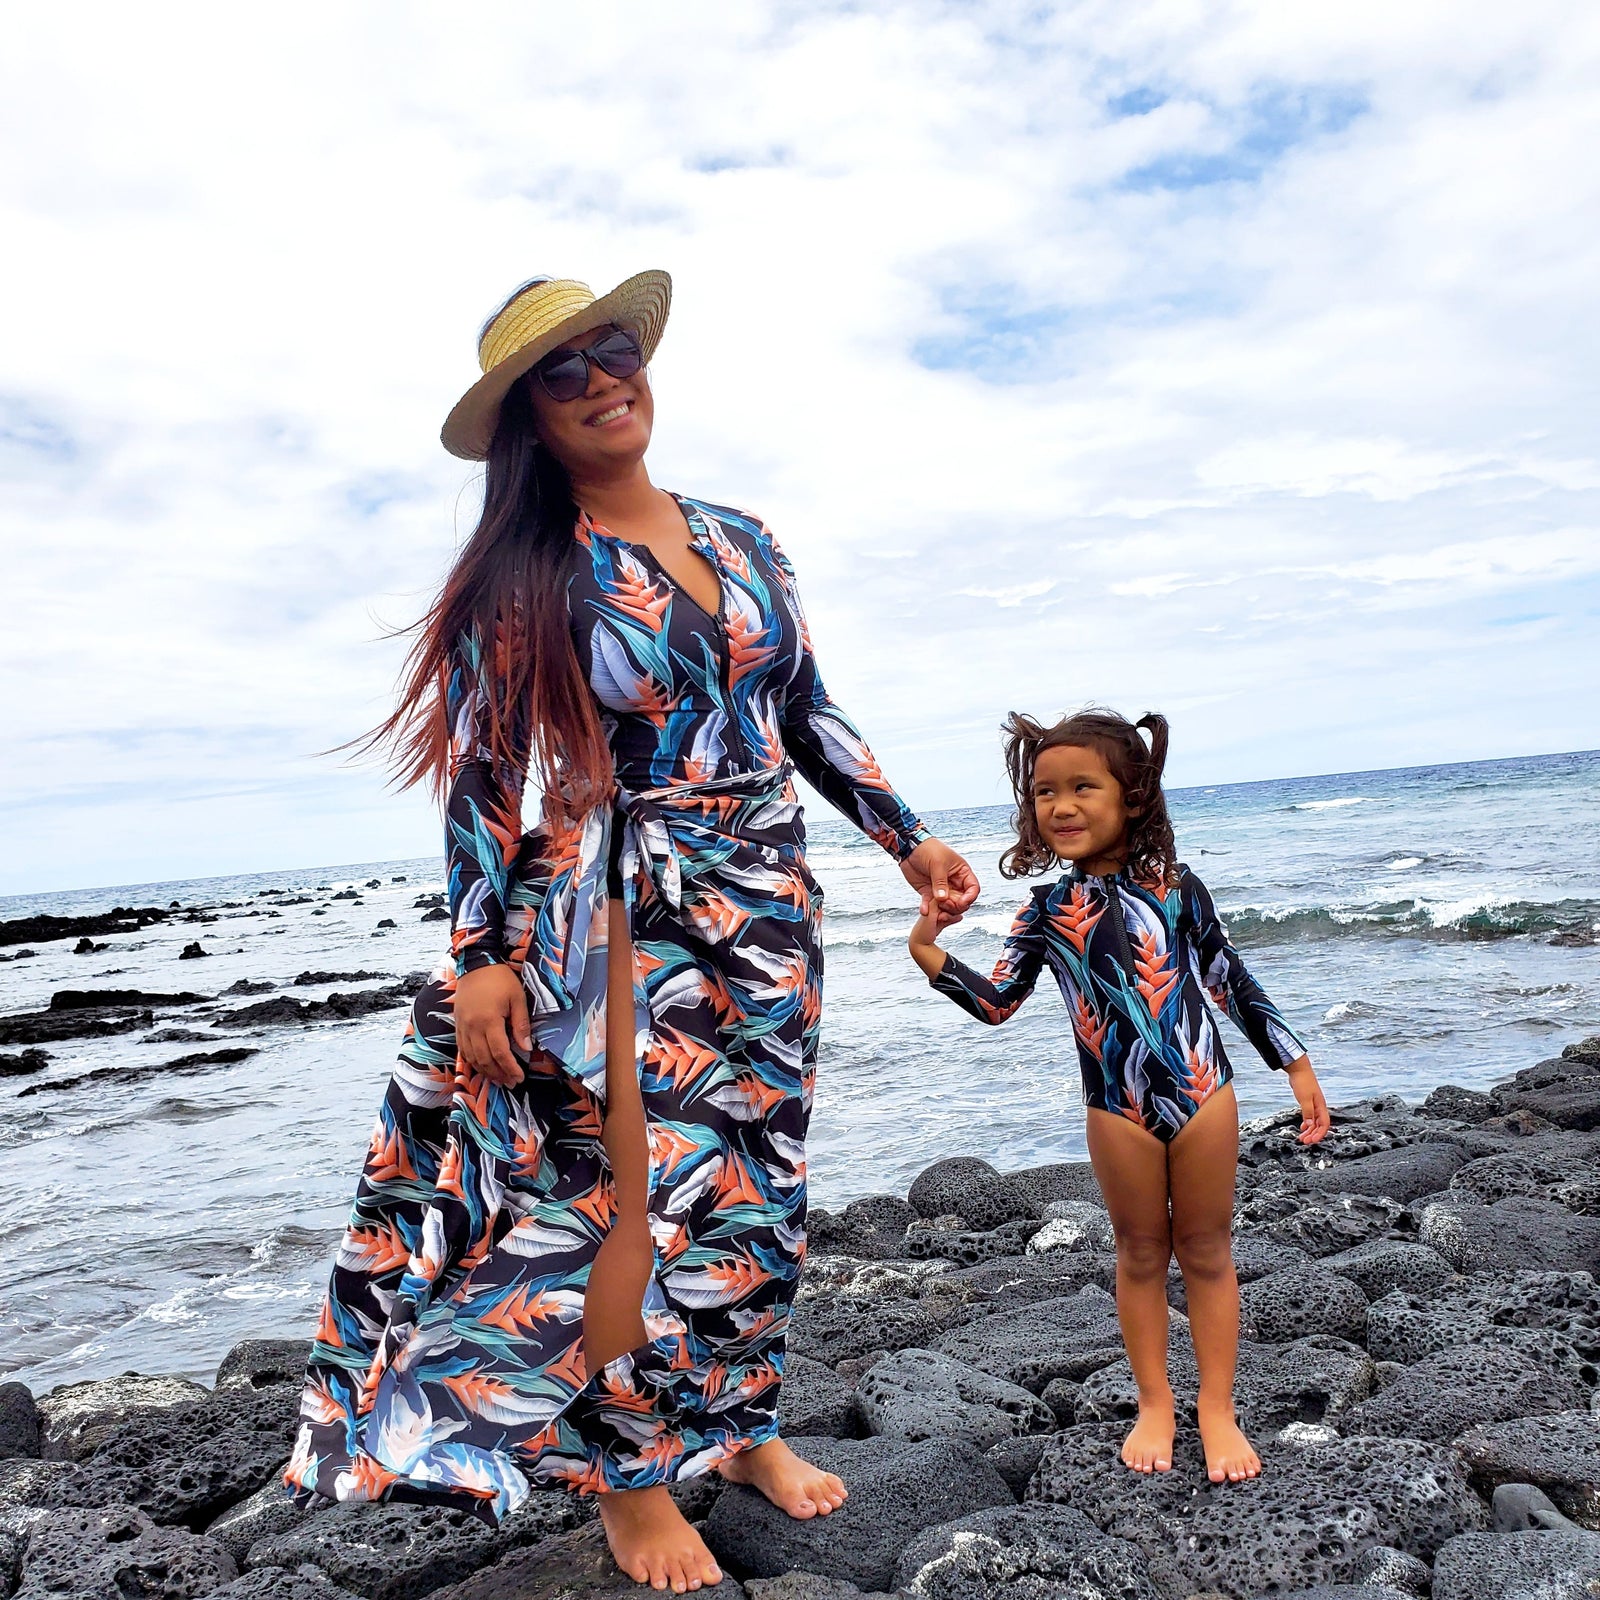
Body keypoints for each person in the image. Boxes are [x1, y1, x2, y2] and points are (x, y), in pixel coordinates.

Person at [285, 271, 979, 1593]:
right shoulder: (529, 575)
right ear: (529, 420)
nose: (607, 377)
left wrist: (909, 839)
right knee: (630, 1202)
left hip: (768, 899)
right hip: (620, 907)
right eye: (567, 370)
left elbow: (808, 714)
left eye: (617, 349)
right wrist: (480, 956)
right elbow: (485, 775)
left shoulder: (745, 536)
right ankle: (632, 1477)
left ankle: (743, 1420)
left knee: (757, 1183)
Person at [907, 708, 1329, 1485]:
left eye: (1082, 788)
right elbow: (999, 1002)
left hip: (1205, 1092)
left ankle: (1218, 1409)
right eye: (1043, 792)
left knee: (1205, 1251)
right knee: (1138, 1254)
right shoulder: (1043, 912)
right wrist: (929, 952)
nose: (1060, 806)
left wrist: (1293, 1063)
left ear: (1132, 797)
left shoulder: (1176, 887)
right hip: (1115, 1108)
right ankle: (1155, 1402)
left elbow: (1226, 978)